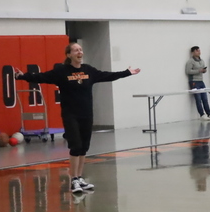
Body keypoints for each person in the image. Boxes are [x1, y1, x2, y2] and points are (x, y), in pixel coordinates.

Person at [16, 42, 139, 195]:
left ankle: (80, 177)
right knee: (75, 145)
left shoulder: (89, 70)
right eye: (75, 50)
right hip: (70, 114)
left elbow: (108, 75)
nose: (79, 52)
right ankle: (73, 179)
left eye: (81, 49)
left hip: (86, 113)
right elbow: (42, 77)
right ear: (69, 55)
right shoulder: (61, 71)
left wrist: (126, 72)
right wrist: (22, 76)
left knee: (84, 147)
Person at [185, 46, 210, 120]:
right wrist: (199, 71)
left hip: (201, 81)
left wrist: (204, 70)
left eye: (199, 50)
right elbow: (188, 71)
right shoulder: (190, 61)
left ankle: (209, 113)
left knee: (205, 98)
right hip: (194, 81)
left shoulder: (202, 61)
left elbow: (202, 69)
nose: (199, 52)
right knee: (198, 98)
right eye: (197, 51)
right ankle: (202, 114)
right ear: (192, 52)